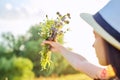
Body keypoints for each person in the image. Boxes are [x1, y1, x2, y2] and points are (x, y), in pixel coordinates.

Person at [42, 0, 120, 80]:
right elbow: (81, 63)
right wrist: (59, 47)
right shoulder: (110, 76)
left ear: (109, 42)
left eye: (95, 36)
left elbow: (81, 64)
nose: (93, 45)